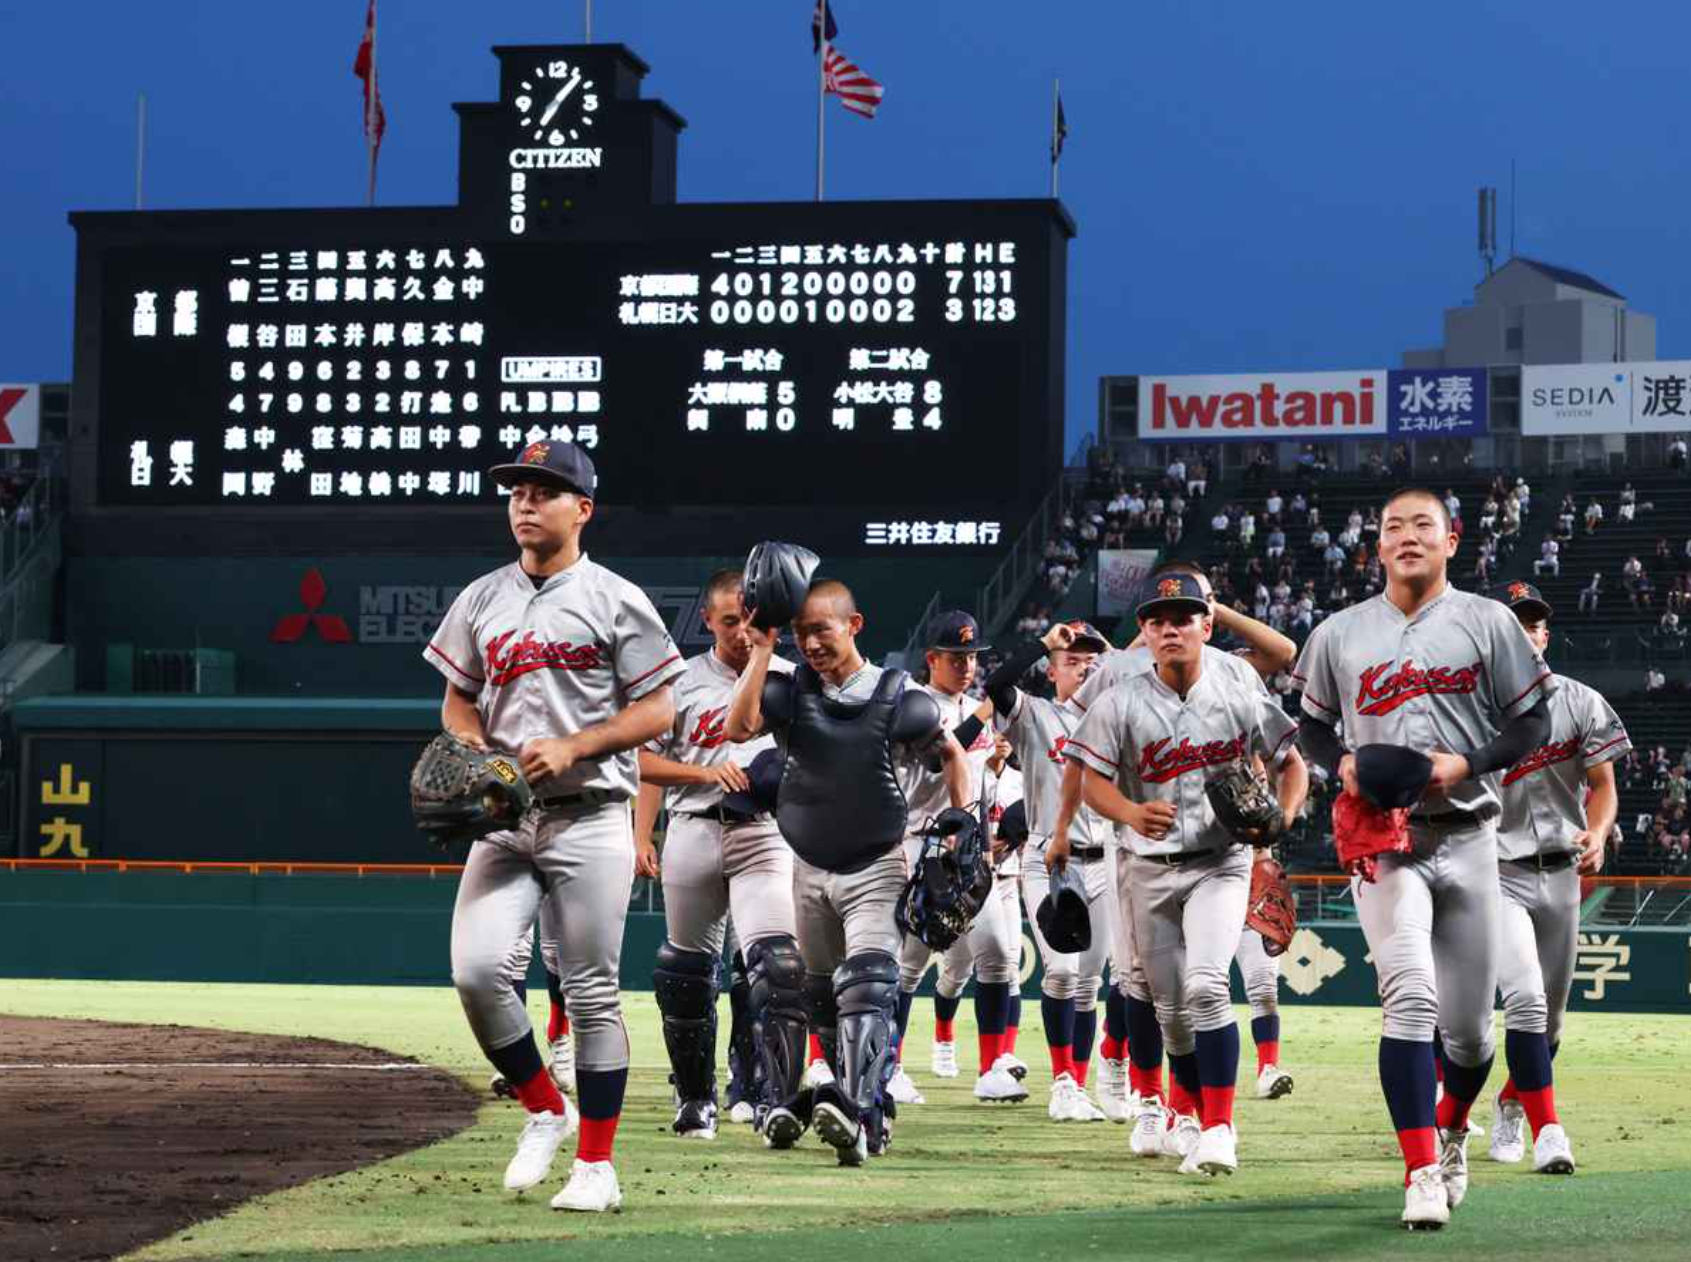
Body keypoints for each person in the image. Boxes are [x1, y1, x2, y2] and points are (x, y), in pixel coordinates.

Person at [429, 439, 685, 1213]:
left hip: (593, 816)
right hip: (505, 821)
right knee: (476, 973)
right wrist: (471, 745)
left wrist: (577, 743)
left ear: (583, 508)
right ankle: (545, 1107)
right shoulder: (480, 597)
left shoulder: (614, 598)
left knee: (592, 992)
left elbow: (660, 708)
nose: (525, 502)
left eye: (544, 489)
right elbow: (457, 699)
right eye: (516, 489)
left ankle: (597, 1166)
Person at [1292, 487, 1555, 1230]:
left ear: (1451, 539)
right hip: (1383, 838)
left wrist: (1464, 765)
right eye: (1391, 527)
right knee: (1408, 996)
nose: (1406, 536)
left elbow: (1530, 718)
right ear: (1374, 546)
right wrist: (1337, 761)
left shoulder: (1488, 621)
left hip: (1468, 832)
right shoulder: (1339, 633)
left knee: (1470, 1036)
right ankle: (1417, 1171)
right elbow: (1309, 727)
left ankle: (1448, 1127)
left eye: (1421, 526)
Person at [1065, 572, 1308, 1177]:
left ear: (1207, 624)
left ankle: (1221, 1128)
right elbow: (1090, 779)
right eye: (1157, 619)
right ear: (1143, 633)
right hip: (1145, 871)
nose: (1170, 628)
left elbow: (1293, 763)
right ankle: (1185, 1109)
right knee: (1170, 1013)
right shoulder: (1120, 699)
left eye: (1183, 617)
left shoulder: (1239, 693)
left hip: (1218, 863)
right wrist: (1127, 810)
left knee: (1205, 987)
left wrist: (1284, 818)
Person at [726, 579, 969, 1166]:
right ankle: (863, 1103)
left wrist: (962, 820)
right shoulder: (788, 690)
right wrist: (763, 649)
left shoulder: (902, 696)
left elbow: (954, 754)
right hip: (807, 866)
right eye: (802, 632)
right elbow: (737, 729)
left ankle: (857, 1113)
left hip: (877, 865)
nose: (810, 643)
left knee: (869, 984)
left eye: (821, 630)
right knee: (818, 996)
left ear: (853, 625)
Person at [634, 569, 803, 1142]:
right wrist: (646, 830)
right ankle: (695, 1098)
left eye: (749, 619)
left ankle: (773, 1097)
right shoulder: (677, 681)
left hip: (765, 834)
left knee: (777, 968)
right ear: (707, 620)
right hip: (693, 827)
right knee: (685, 973)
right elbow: (640, 761)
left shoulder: (790, 679)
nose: (739, 630)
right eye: (728, 620)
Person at [1487, 582, 1628, 1174]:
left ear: (1546, 634)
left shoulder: (1581, 701)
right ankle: (1550, 1130)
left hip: (1560, 872)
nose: (1528, 632)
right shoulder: (1469, 708)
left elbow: (1603, 787)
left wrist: (1596, 833)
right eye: (1514, 623)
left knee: (1551, 1020)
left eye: (1535, 623)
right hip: (1494, 871)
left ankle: (1510, 1103)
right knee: (1523, 996)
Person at [980, 619, 1116, 1122]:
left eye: (1089, 660)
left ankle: (1078, 1086)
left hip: (1107, 860)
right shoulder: (1035, 714)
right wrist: (1042, 644)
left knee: (1089, 984)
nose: (1083, 667)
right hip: (1048, 859)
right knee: (1060, 973)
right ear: (1053, 671)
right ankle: (1062, 1083)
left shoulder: (1119, 719)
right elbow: (995, 686)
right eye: (1072, 660)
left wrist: (1113, 650)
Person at [890, 612, 1021, 1105]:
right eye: (957, 656)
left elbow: (976, 777)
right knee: (909, 964)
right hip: (921, 843)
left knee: (997, 955)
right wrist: (985, 717)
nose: (967, 665)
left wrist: (995, 772)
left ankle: (991, 1069)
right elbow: (933, 760)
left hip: (969, 849)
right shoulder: (914, 702)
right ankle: (889, 1067)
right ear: (932, 659)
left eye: (972, 657)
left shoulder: (974, 709)